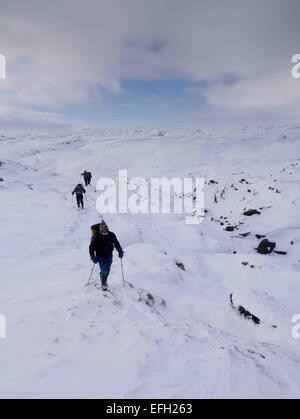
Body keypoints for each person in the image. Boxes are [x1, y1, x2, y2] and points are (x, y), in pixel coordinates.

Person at [89, 222, 124, 290]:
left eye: (105, 228)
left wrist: (120, 251)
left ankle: (103, 276)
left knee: (107, 270)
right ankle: (104, 282)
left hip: (109, 255)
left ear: (107, 228)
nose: (104, 229)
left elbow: (116, 243)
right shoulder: (97, 237)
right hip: (100, 256)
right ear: (100, 229)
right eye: (102, 228)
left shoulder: (112, 235)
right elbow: (91, 248)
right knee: (104, 270)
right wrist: (93, 257)